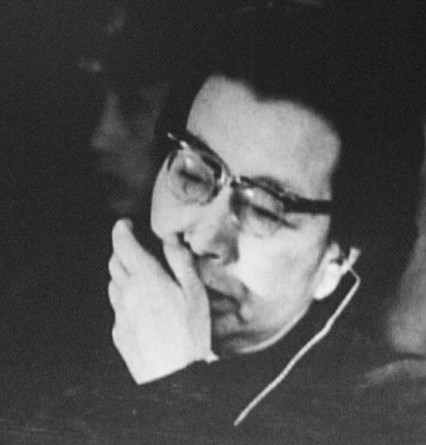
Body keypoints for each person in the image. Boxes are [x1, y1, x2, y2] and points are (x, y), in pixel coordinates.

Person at [104, 3, 426, 443]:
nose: (204, 239)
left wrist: (174, 383)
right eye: (193, 174)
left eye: (264, 209)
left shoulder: (388, 414)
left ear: (336, 262)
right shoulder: (49, 303)